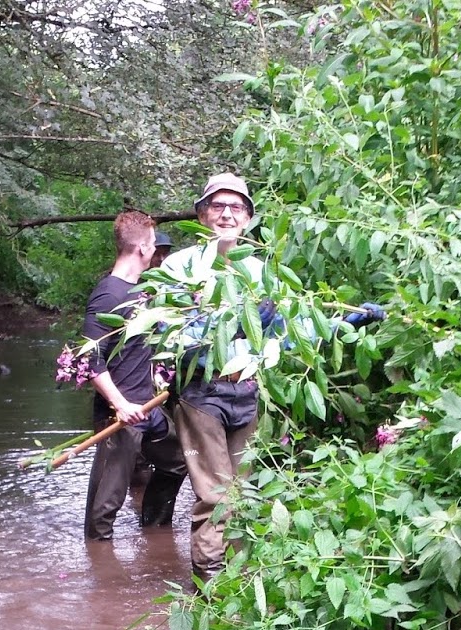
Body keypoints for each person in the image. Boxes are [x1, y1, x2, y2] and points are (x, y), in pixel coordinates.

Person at [161, 173, 384, 581]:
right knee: (215, 496)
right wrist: (227, 329)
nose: (227, 213)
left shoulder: (262, 271)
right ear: (201, 214)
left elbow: (294, 327)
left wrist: (344, 324)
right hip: (200, 394)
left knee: (244, 494)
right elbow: (167, 335)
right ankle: (209, 591)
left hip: (247, 391)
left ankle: (240, 583)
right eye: (217, 205)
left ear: (248, 219)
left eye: (236, 207)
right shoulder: (179, 266)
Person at [82, 210, 187, 541]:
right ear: (142, 248)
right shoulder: (108, 294)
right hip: (121, 416)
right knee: (104, 509)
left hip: (150, 409)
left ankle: (155, 532)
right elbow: (88, 360)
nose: (156, 251)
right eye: (153, 244)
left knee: (177, 461)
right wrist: (120, 404)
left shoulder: (143, 291)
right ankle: (99, 575)